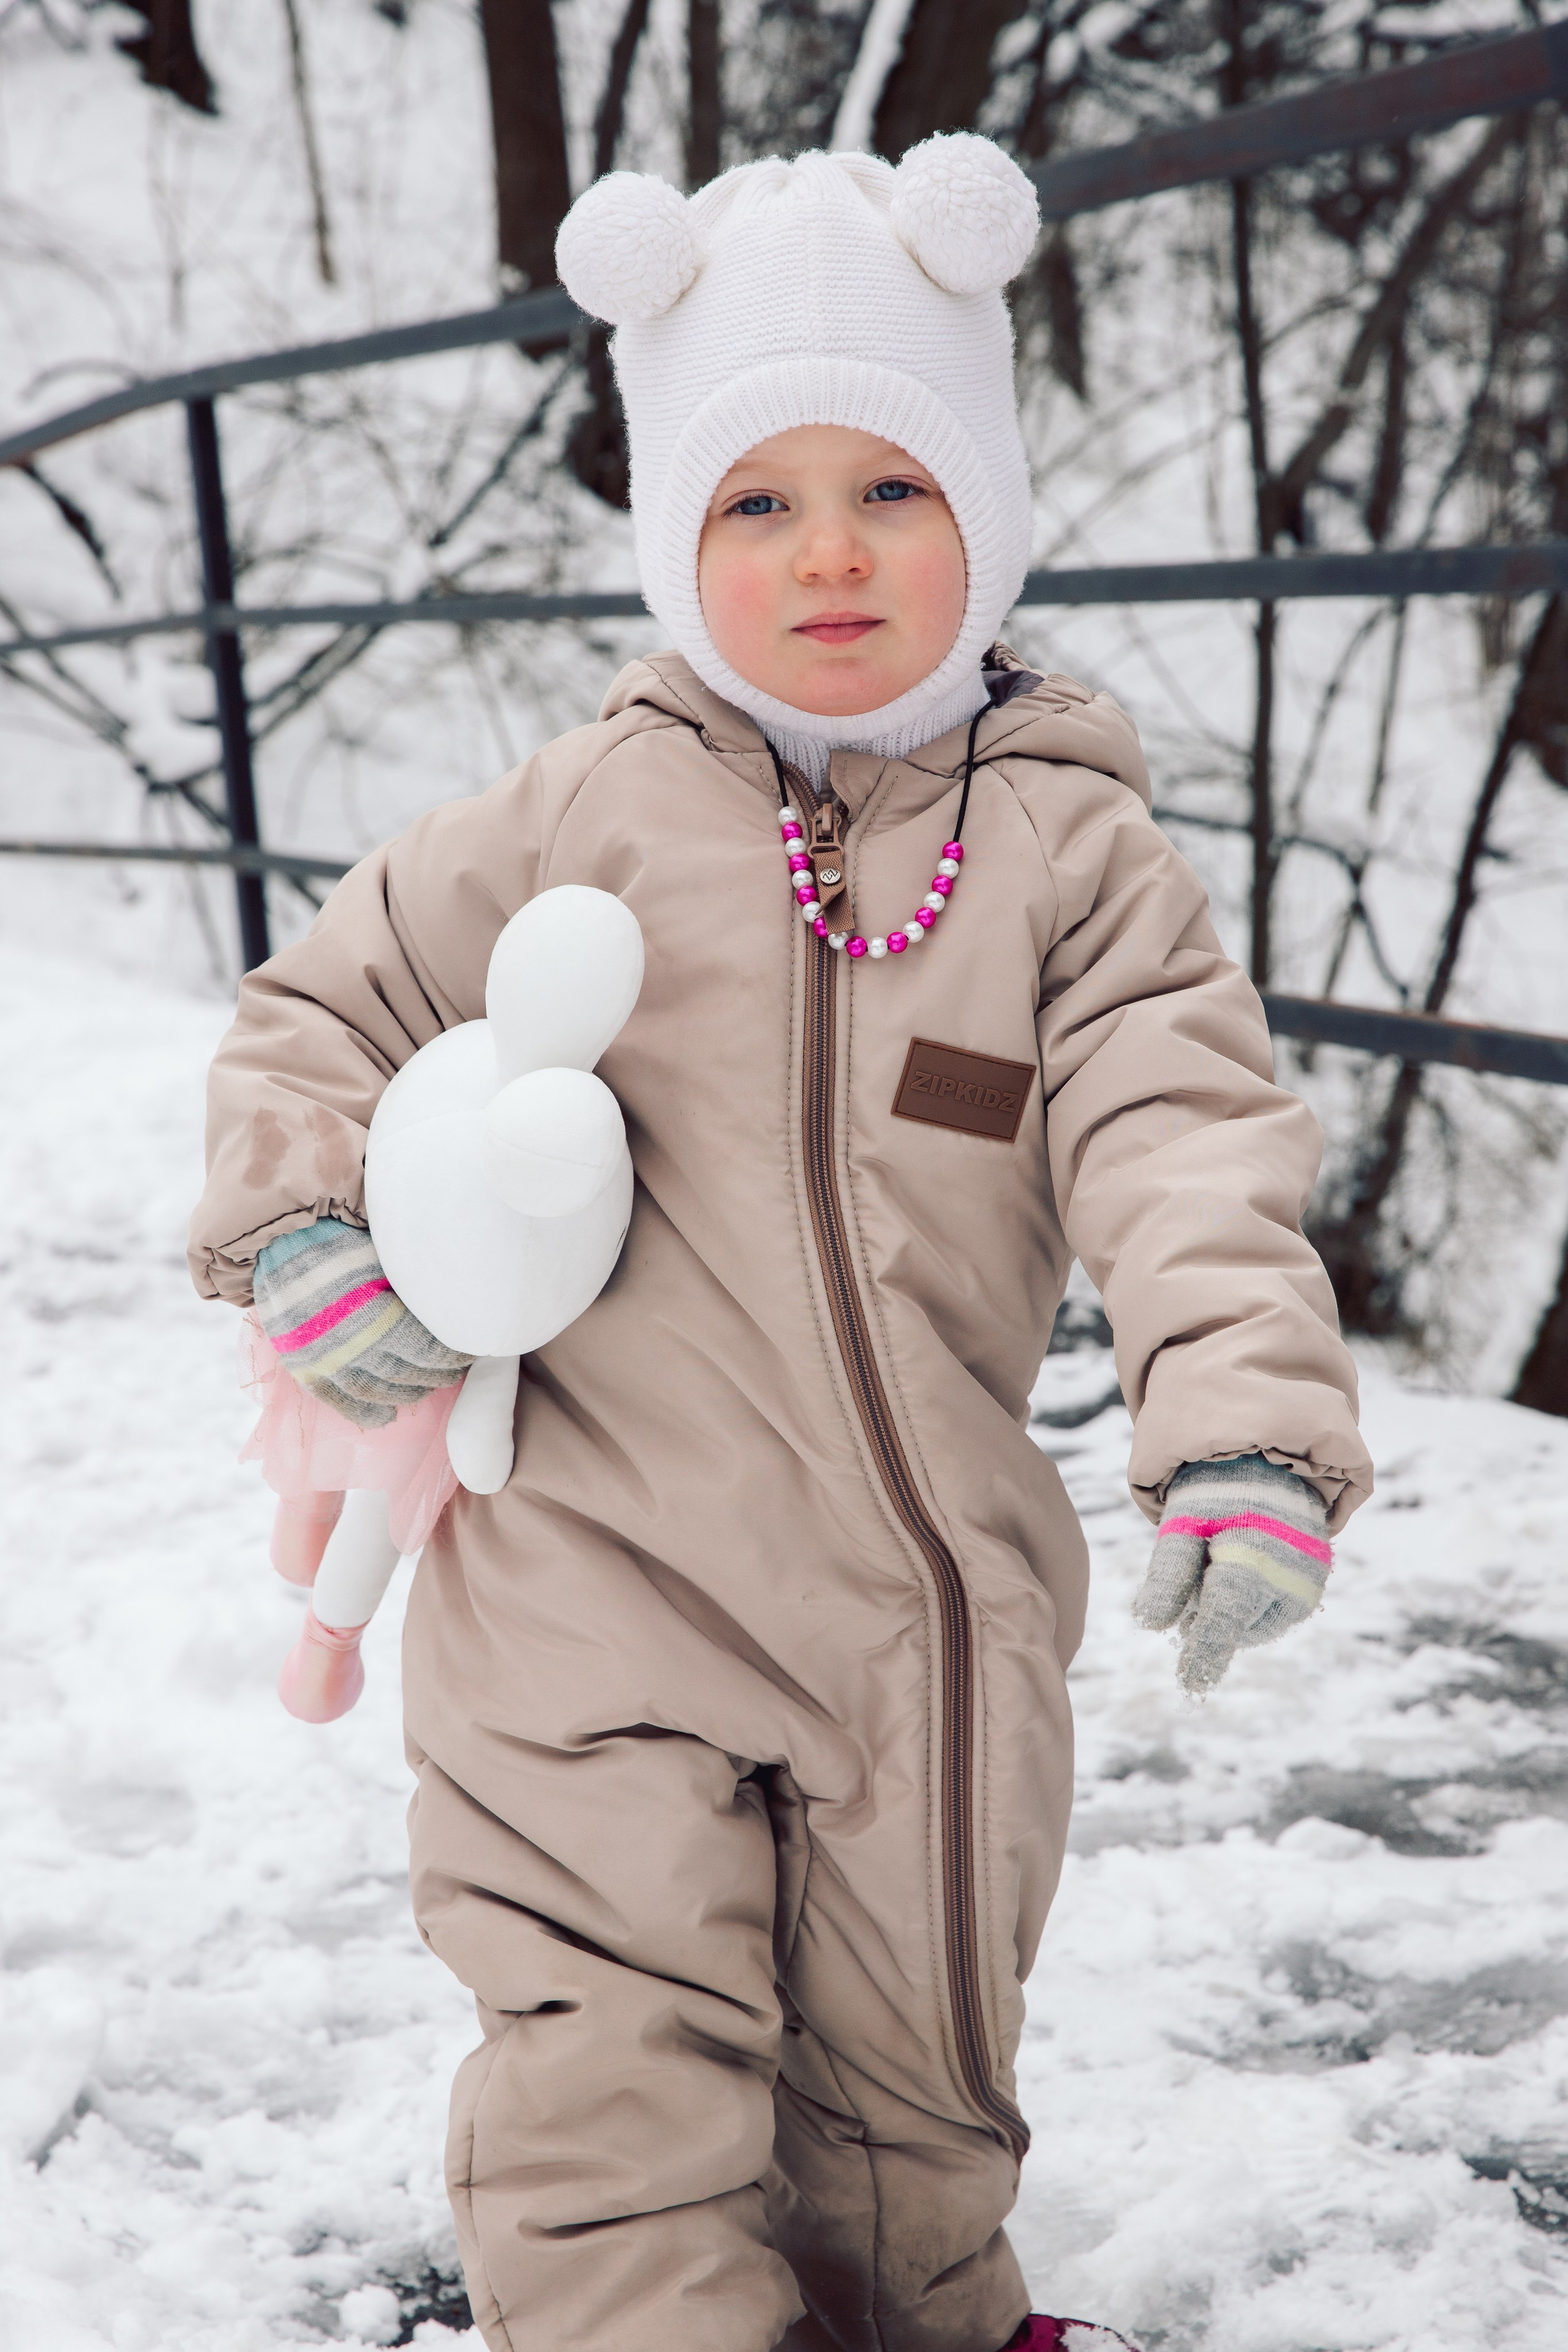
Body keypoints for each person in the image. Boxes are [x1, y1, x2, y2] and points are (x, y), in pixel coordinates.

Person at [189, 135, 1371, 2352]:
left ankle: (919, 2307)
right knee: (604, 2063)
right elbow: (319, 1012)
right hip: (581, 1583)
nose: (828, 554)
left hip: (919, 1602)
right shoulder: (578, 816)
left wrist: (1244, 1423)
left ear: (989, 511)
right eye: (757, 501)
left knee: (913, 2047)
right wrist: (302, 1228)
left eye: (893, 490)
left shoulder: (1073, 863)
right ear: (674, 535)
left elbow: (1188, 1141)